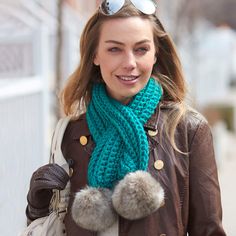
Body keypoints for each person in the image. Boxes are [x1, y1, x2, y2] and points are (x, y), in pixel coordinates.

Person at [25, 0, 226, 235]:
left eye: (141, 49)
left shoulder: (188, 130)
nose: (129, 63)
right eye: (114, 49)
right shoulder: (69, 133)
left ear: (155, 54)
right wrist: (36, 209)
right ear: (94, 55)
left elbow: (209, 230)